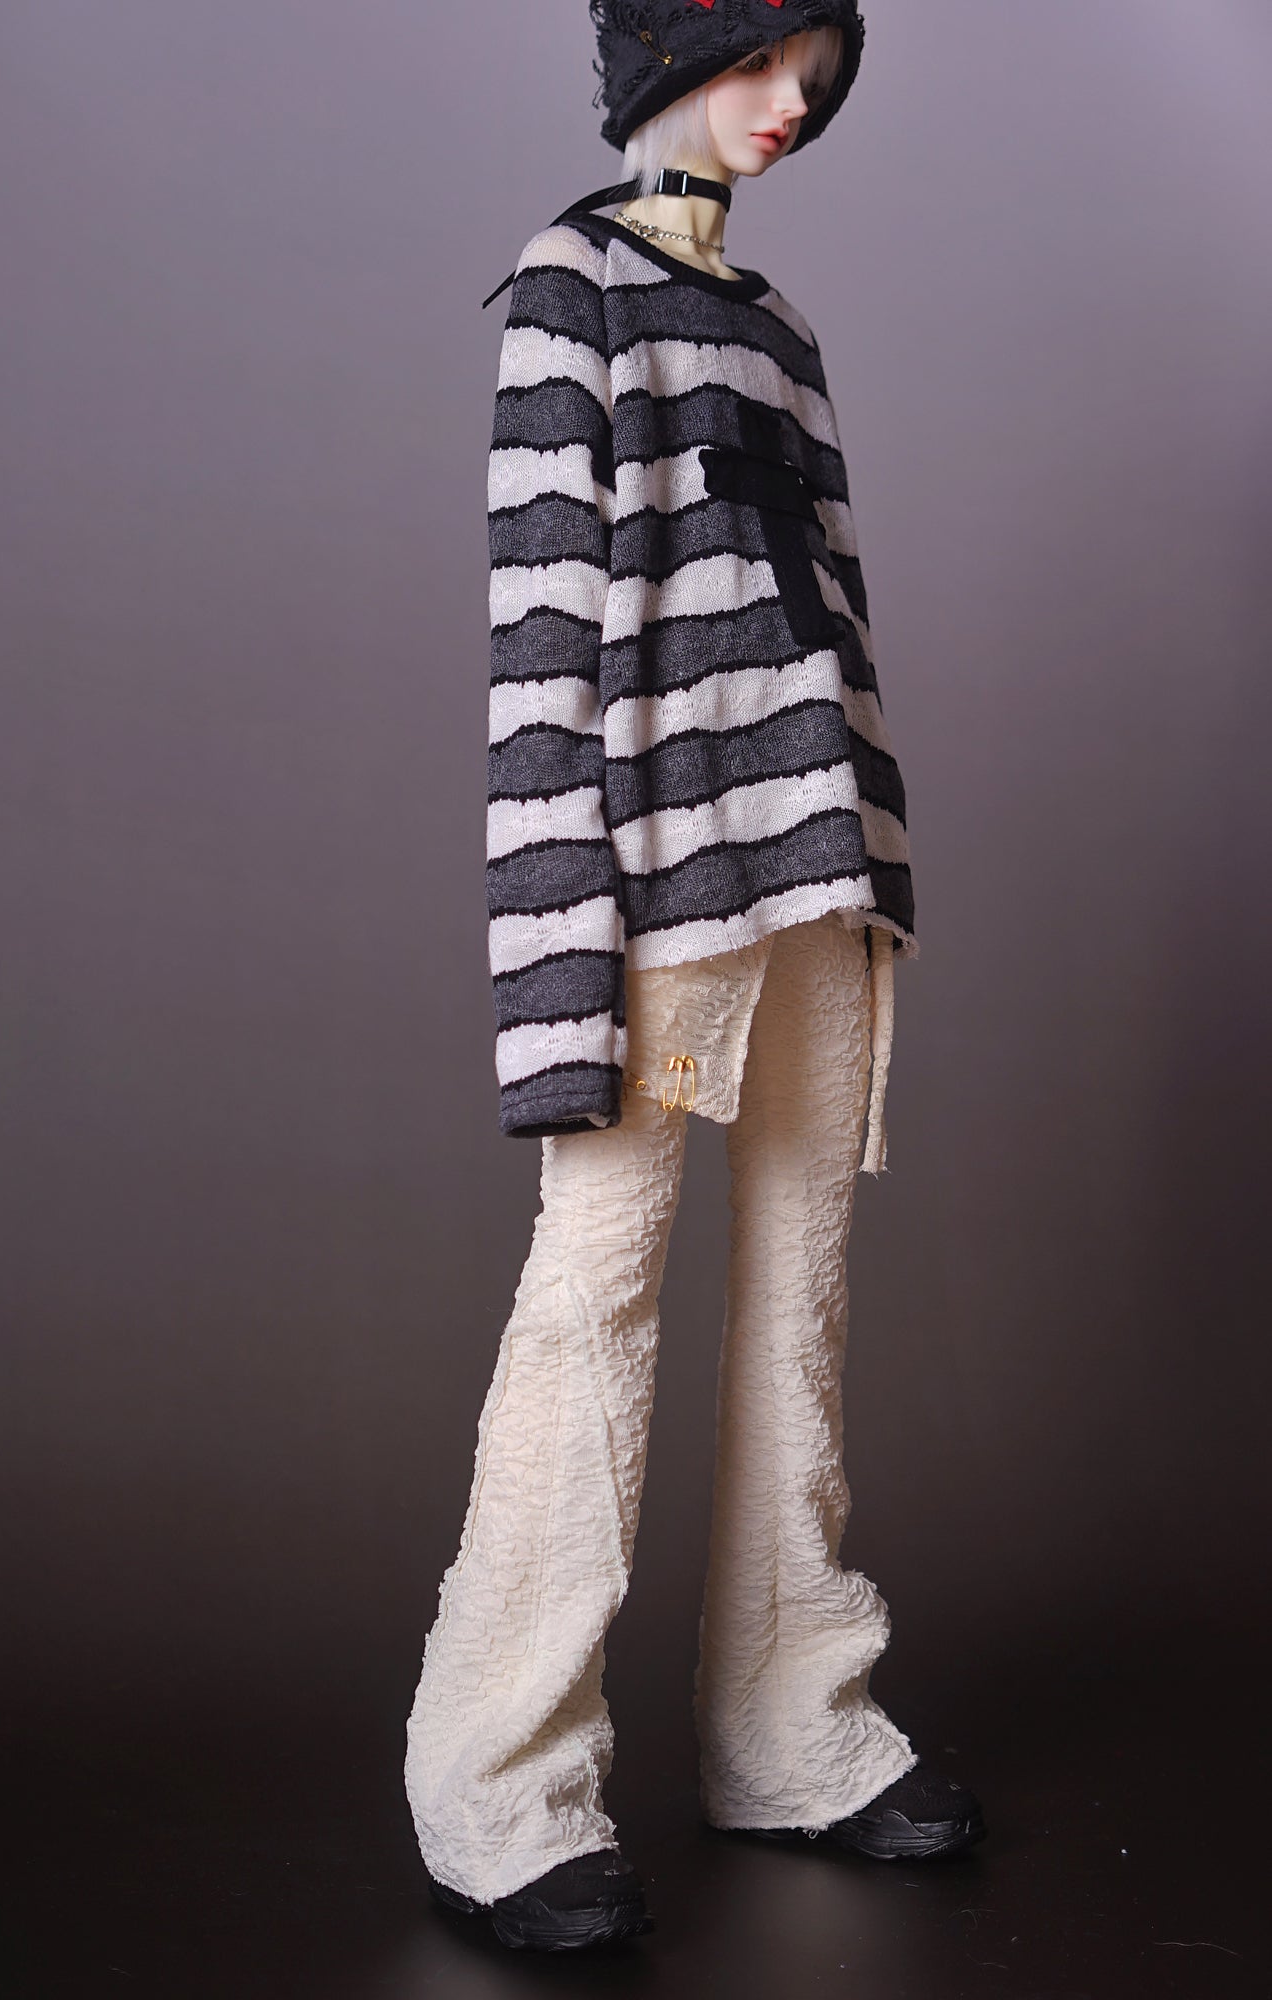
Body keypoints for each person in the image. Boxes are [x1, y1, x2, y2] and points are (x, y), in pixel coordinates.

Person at [405, 2, 984, 1952]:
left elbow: (833, 616)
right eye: (757, 60)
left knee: (801, 1298)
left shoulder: (781, 330)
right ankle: (498, 1788)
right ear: (666, 49)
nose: (787, 105)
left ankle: (792, 1728)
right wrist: (554, 972)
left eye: (812, 76)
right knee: (595, 1306)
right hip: (656, 894)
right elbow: (542, 657)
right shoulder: (564, 295)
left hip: (819, 874)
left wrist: (876, 858)